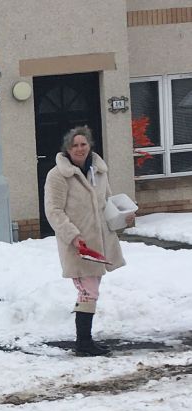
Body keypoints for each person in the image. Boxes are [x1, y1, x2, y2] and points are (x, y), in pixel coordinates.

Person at [44, 126, 135, 357]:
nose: (79, 149)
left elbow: (106, 203)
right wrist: (72, 235)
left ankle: (85, 342)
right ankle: (83, 343)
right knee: (89, 291)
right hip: (78, 244)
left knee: (90, 291)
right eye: (74, 145)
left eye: (83, 144)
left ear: (90, 145)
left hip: (100, 241)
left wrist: (123, 217)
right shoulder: (57, 175)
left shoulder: (99, 171)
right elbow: (53, 210)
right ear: (67, 148)